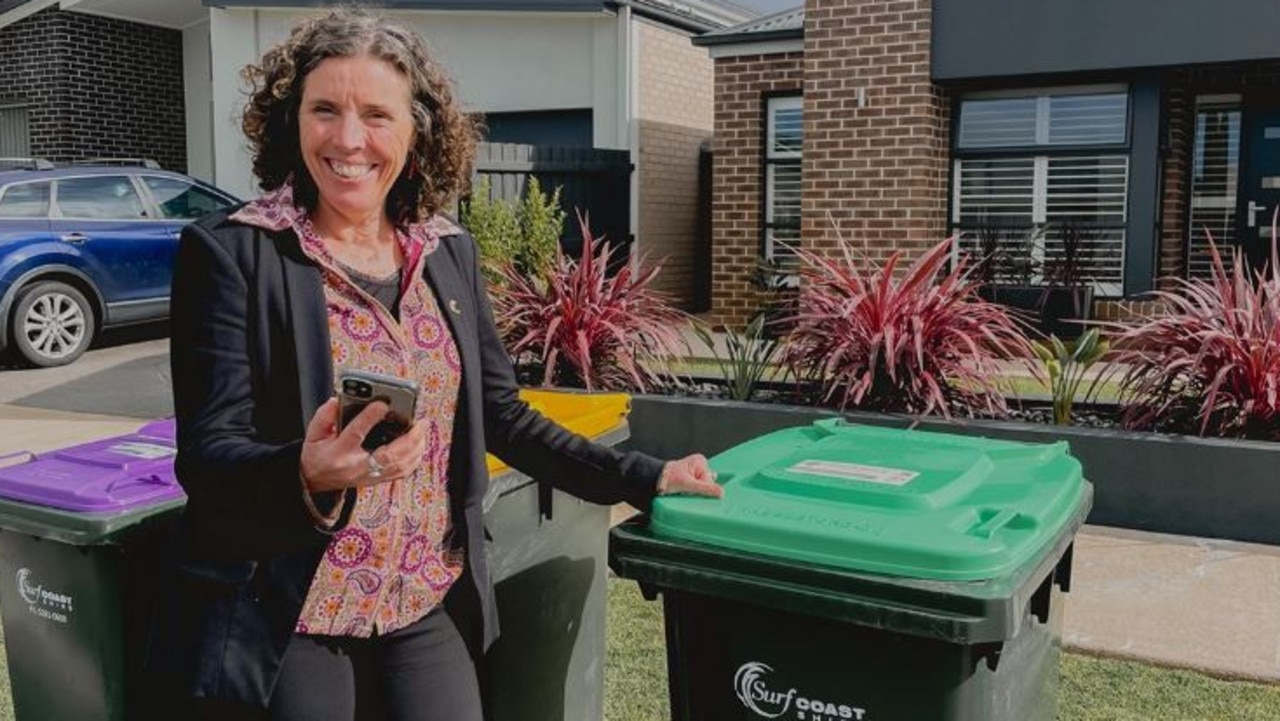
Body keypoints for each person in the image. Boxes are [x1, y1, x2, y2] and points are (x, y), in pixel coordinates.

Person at [150, 8, 722, 721]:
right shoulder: (234, 254)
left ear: (416, 128)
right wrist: (308, 469)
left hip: (423, 598)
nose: (349, 139)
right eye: (324, 108)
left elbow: (504, 416)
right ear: (291, 120)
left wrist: (646, 473)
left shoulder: (445, 251)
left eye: (376, 115)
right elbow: (206, 457)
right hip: (292, 609)